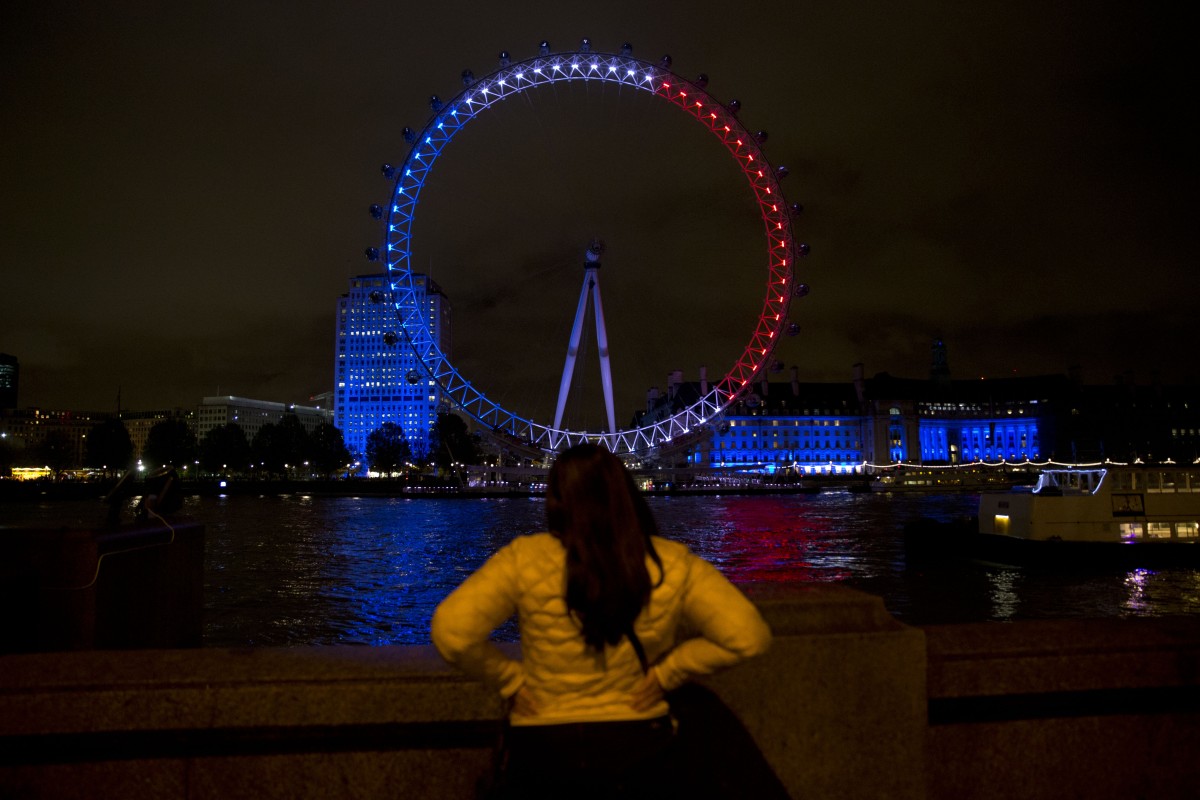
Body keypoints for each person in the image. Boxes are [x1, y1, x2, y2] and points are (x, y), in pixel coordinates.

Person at [431, 443, 772, 798]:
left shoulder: (523, 558)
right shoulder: (670, 561)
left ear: (556, 500)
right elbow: (749, 635)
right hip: (640, 739)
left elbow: (451, 630)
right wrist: (669, 672)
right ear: (625, 493)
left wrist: (510, 681)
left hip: (543, 743)